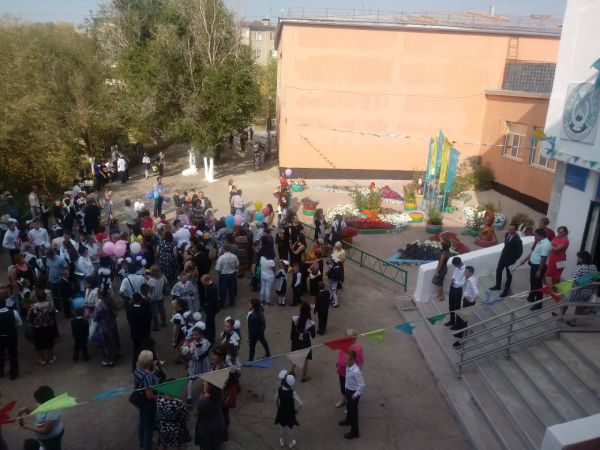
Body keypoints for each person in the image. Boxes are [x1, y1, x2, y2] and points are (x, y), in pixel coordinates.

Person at [558, 251, 598, 327]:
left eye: (579, 258)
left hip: (576, 291)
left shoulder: (579, 268)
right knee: (580, 306)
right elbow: (596, 278)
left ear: (583, 259)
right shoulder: (594, 267)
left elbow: (575, 281)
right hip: (587, 291)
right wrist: (589, 280)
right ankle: (573, 321)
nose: (577, 259)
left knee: (565, 302)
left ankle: (560, 317)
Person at [18, 386, 65, 450]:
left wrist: (28, 427)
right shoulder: (44, 401)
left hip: (51, 437)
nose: (36, 401)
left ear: (45, 401)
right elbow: (34, 411)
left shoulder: (53, 411)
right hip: (44, 436)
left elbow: (46, 430)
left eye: (38, 400)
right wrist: (25, 409)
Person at [133, 350, 159, 450]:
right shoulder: (148, 376)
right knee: (149, 427)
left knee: (142, 421)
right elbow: (149, 395)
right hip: (148, 403)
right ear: (150, 362)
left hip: (140, 400)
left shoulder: (137, 369)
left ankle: (142, 441)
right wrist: (158, 398)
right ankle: (148, 446)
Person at [521, 228, 551, 311]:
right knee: (533, 282)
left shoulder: (546, 244)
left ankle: (538, 304)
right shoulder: (539, 241)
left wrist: (539, 271)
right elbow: (533, 252)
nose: (535, 237)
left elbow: (543, 258)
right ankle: (531, 296)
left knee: (538, 285)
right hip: (534, 265)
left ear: (542, 235)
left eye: (536, 235)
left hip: (539, 267)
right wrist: (525, 259)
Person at [490, 223, 523, 297]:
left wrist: (513, 259)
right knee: (498, 270)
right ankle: (498, 285)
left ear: (515, 230)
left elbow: (520, 252)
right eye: (509, 228)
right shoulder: (507, 234)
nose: (510, 230)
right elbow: (506, 245)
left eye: (512, 229)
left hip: (510, 260)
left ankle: (506, 291)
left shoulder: (517, 239)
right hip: (503, 257)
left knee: (509, 276)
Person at [27, 290, 59, 366]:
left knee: (39, 345)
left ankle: (42, 359)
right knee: (49, 343)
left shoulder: (33, 307)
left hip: (37, 328)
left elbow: (29, 318)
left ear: (37, 298)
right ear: (45, 297)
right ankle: (51, 358)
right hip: (49, 326)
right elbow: (53, 314)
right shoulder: (50, 304)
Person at [338, 349, 364, 439]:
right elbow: (348, 379)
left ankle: (355, 432)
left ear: (353, 360)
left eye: (347, 359)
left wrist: (355, 395)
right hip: (349, 391)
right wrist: (346, 387)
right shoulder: (348, 367)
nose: (345, 361)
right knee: (349, 407)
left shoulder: (356, 371)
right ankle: (348, 420)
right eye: (345, 359)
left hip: (354, 394)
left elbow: (362, 385)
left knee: (353, 412)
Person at [157, 381, 191, 450]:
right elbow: (185, 416)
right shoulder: (178, 403)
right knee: (176, 446)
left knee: (163, 444)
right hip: (176, 427)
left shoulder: (159, 400)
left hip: (164, 426)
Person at [334, 329, 364, 408]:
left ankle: (350, 404)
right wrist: (338, 362)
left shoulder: (357, 348)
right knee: (343, 386)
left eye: (348, 338)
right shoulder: (344, 344)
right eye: (345, 337)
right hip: (342, 371)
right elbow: (340, 354)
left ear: (354, 338)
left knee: (350, 389)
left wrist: (358, 374)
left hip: (351, 374)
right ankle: (342, 399)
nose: (345, 339)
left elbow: (360, 362)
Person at [193, 380, 226, 450]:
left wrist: (200, 400)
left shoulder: (202, 401)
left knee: (207, 445)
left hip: (207, 427)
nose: (203, 384)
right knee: (216, 442)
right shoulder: (220, 394)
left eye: (205, 384)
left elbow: (195, 413)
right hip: (218, 422)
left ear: (208, 388)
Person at [274, 370, 302, 449]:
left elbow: (275, 399)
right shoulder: (292, 392)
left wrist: (277, 405)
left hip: (281, 411)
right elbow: (301, 403)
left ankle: (282, 441)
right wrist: (297, 410)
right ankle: (291, 443)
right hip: (290, 412)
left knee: (282, 427)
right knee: (290, 428)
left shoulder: (279, 390)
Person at [452, 266, 479, 347]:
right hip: (466, 300)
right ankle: (460, 333)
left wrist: (472, 300)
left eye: (466, 271)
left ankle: (461, 339)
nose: (464, 273)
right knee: (461, 318)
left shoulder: (471, 281)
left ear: (470, 273)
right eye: (465, 271)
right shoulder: (471, 279)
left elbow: (476, 292)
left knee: (463, 321)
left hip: (468, 302)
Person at [126, 288, 153, 371]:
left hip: (134, 333)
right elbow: (149, 318)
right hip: (144, 332)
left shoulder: (129, 309)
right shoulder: (144, 310)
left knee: (136, 349)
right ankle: (149, 366)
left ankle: (134, 367)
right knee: (146, 349)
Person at [290, 302, 316, 382]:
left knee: (296, 355)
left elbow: (292, 332)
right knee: (305, 360)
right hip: (305, 342)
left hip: (296, 341)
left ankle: (292, 371)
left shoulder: (295, 319)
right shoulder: (310, 323)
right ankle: (304, 377)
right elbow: (313, 335)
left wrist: (292, 340)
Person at [93, 289, 120, 367]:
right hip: (112, 324)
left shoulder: (99, 305)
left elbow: (95, 318)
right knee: (113, 341)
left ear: (100, 295)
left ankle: (109, 360)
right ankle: (115, 355)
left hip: (103, 327)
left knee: (106, 344)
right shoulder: (111, 302)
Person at [187, 324, 211, 407]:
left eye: (196, 334)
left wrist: (198, 357)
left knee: (205, 378)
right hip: (195, 364)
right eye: (193, 335)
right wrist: (190, 355)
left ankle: (207, 395)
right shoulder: (192, 343)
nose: (194, 336)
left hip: (203, 362)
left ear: (201, 334)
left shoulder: (205, 341)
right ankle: (189, 398)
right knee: (191, 379)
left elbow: (207, 353)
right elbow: (190, 354)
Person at [0, 291, 21, 379]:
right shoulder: (13, 312)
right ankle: (13, 373)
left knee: (0, 354)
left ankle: (1, 372)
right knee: (13, 354)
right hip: (11, 336)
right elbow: (19, 324)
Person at [443, 257, 465, 328]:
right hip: (452, 287)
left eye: (455, 265)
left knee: (457, 307)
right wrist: (452, 278)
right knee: (451, 305)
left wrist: (454, 281)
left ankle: (457, 323)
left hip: (458, 290)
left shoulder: (465, 270)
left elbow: (461, 283)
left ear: (459, 263)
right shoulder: (457, 268)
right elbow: (454, 275)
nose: (455, 267)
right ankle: (452, 320)